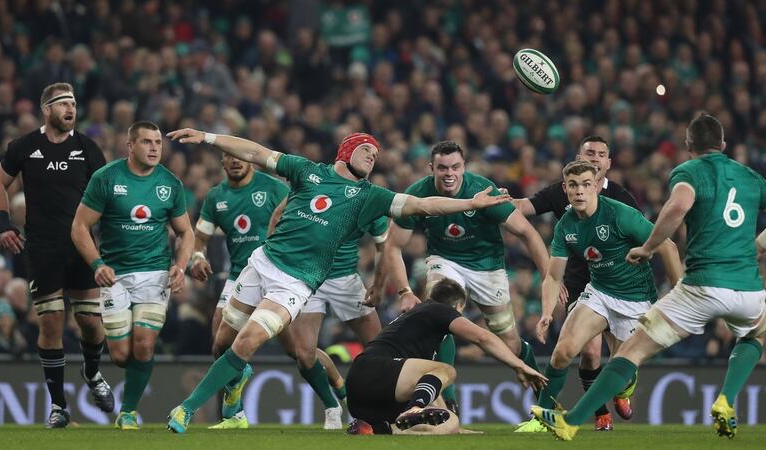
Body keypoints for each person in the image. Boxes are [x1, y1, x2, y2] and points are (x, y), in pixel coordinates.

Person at [163, 129, 513, 433]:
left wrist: (470, 201)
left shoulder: (369, 195)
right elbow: (255, 151)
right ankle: (238, 380)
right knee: (222, 341)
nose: (373, 158)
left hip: (297, 282)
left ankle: (185, 409)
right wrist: (208, 137)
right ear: (347, 151)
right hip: (262, 263)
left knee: (248, 341)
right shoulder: (306, 171)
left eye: (376, 155)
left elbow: (424, 205)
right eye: (367, 150)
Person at [532, 113, 766, 441]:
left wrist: (648, 247)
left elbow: (677, 208)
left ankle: (571, 420)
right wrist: (760, 246)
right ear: (724, 145)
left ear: (689, 146)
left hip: (700, 284)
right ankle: (726, 400)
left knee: (630, 353)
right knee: (756, 333)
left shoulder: (688, 172)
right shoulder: (749, 176)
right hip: (747, 288)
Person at [382, 140, 549, 414]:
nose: (449, 173)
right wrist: (404, 291)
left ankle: (529, 365)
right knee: (439, 314)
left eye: (455, 167)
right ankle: (448, 398)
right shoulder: (419, 194)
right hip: (444, 260)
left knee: (509, 342)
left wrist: (547, 277)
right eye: (443, 167)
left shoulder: (483, 191)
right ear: (431, 168)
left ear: (464, 167)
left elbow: (527, 233)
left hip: (487, 267)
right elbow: (393, 245)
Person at [0, 82, 113, 428]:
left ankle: (91, 372)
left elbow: (105, 197)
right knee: (51, 321)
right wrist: (4, 225)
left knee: (90, 323)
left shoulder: (87, 149)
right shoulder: (25, 147)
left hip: (81, 247)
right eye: (63, 104)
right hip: (42, 248)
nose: (70, 110)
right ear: (47, 110)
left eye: (73, 103)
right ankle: (59, 406)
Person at [530, 160, 682, 430]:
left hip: (637, 299)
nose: (579, 191)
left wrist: (680, 294)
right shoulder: (565, 226)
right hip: (599, 292)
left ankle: (624, 389)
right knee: (563, 352)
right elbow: (554, 276)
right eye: (573, 186)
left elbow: (667, 246)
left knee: (620, 374)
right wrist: (546, 312)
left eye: (586, 185)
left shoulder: (620, 215)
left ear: (597, 186)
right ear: (565, 189)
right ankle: (539, 417)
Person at [71, 121, 195, 430]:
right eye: (147, 142)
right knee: (121, 355)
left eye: (158, 142)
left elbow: (186, 232)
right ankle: (105, 371)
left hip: (155, 274)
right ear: (130, 146)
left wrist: (179, 267)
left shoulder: (170, 183)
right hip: (115, 276)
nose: (154, 148)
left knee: (144, 345)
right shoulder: (107, 178)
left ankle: (127, 412)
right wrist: (98, 264)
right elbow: (79, 227)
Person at [512, 135, 640, 431]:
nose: (594, 158)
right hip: (582, 286)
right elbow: (526, 206)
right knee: (589, 351)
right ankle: (599, 412)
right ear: (579, 157)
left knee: (622, 359)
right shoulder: (563, 192)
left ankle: (623, 386)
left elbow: (645, 244)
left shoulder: (622, 200)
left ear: (608, 163)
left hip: (619, 286)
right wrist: (498, 199)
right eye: (589, 152)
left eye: (601, 154)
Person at [345, 278, 548, 435]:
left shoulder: (420, 321)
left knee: (449, 422)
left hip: (366, 400)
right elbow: (482, 338)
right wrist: (519, 365)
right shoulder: (437, 310)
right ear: (459, 306)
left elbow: (430, 384)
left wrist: (454, 425)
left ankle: (379, 429)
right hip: (372, 370)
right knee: (446, 370)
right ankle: (415, 408)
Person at [261, 193, 389, 430]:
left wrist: (379, 284)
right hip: (309, 276)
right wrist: (276, 260)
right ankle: (332, 407)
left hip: (346, 280)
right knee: (303, 352)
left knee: (378, 348)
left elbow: (384, 244)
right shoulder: (317, 183)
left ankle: (382, 411)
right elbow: (279, 214)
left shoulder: (369, 197)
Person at [190, 153, 288, 429]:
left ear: (251, 160)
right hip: (240, 275)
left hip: (278, 274)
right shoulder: (215, 197)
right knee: (219, 342)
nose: (234, 161)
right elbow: (200, 239)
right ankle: (232, 414)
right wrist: (197, 257)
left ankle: (334, 401)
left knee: (302, 352)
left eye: (239, 156)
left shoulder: (273, 188)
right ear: (221, 163)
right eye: (227, 157)